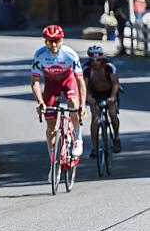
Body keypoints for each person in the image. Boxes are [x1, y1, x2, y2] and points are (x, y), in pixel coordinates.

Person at [30, 25, 87, 180]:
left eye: (56, 41)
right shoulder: (40, 55)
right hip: (51, 86)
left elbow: (80, 81)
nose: (53, 45)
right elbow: (35, 81)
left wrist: (82, 105)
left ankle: (78, 138)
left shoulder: (70, 55)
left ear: (61, 40)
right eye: (49, 42)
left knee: (72, 105)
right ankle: (54, 164)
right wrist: (40, 102)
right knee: (50, 126)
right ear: (45, 42)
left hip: (68, 82)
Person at [84, 45, 122, 156]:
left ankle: (116, 137)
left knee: (112, 114)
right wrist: (89, 97)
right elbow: (84, 86)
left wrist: (113, 97)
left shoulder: (109, 67)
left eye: (98, 60)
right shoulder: (86, 69)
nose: (96, 62)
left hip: (109, 92)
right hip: (95, 94)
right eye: (93, 60)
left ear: (102, 58)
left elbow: (115, 84)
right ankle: (94, 147)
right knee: (95, 119)